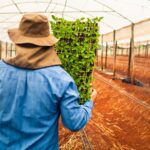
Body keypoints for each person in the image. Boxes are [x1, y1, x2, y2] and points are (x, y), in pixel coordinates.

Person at [0, 13, 97, 150]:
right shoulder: (62, 79)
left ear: (18, 41)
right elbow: (73, 123)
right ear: (47, 44)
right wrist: (89, 102)